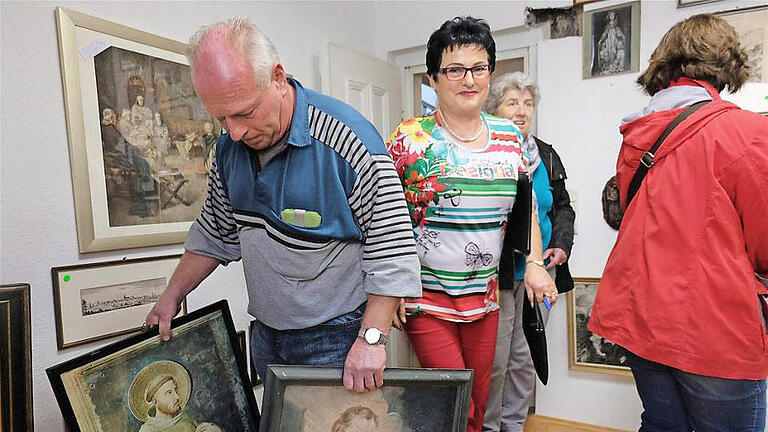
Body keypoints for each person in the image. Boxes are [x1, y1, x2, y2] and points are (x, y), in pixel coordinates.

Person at [144, 17, 421, 393]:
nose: (234, 131)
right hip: (267, 335)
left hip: (337, 338)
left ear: (277, 77)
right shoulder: (228, 149)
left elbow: (392, 251)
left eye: (244, 112)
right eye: (221, 118)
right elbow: (215, 231)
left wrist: (372, 340)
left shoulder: (349, 141)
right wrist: (172, 295)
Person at [589, 14, 768, 431]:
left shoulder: (638, 131)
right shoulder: (747, 131)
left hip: (641, 316)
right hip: (714, 325)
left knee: (661, 425)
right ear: (726, 66)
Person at [386, 17, 557, 432]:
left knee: (481, 403)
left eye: (478, 68)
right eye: (454, 70)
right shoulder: (410, 138)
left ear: (489, 73)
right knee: (455, 405)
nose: (468, 80)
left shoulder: (508, 136)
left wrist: (534, 262)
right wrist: (389, 288)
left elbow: (526, 208)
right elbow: (385, 218)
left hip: (486, 298)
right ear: (434, 78)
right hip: (427, 299)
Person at [482, 72, 575, 432]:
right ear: (495, 109)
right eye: (512, 103)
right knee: (497, 360)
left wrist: (560, 245)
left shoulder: (547, 155)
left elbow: (563, 208)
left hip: (543, 275)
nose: (521, 111)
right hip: (502, 274)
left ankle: (514, 425)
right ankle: (489, 427)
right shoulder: (487, 152)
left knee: (525, 357)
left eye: (527, 103)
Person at [128, 361, 221, 432]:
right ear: (155, 401)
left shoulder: (186, 420)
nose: (177, 396)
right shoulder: (147, 430)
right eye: (169, 392)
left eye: (175, 390)